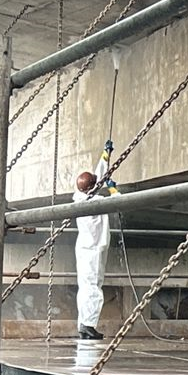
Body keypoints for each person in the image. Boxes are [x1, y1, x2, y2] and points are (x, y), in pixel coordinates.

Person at [74, 142, 117, 340]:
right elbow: (120, 201)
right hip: (94, 251)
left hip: (84, 249)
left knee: (85, 287)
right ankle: (89, 325)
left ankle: (83, 324)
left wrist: (105, 155)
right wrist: (114, 190)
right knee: (93, 288)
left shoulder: (79, 197)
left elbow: (96, 177)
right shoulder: (97, 203)